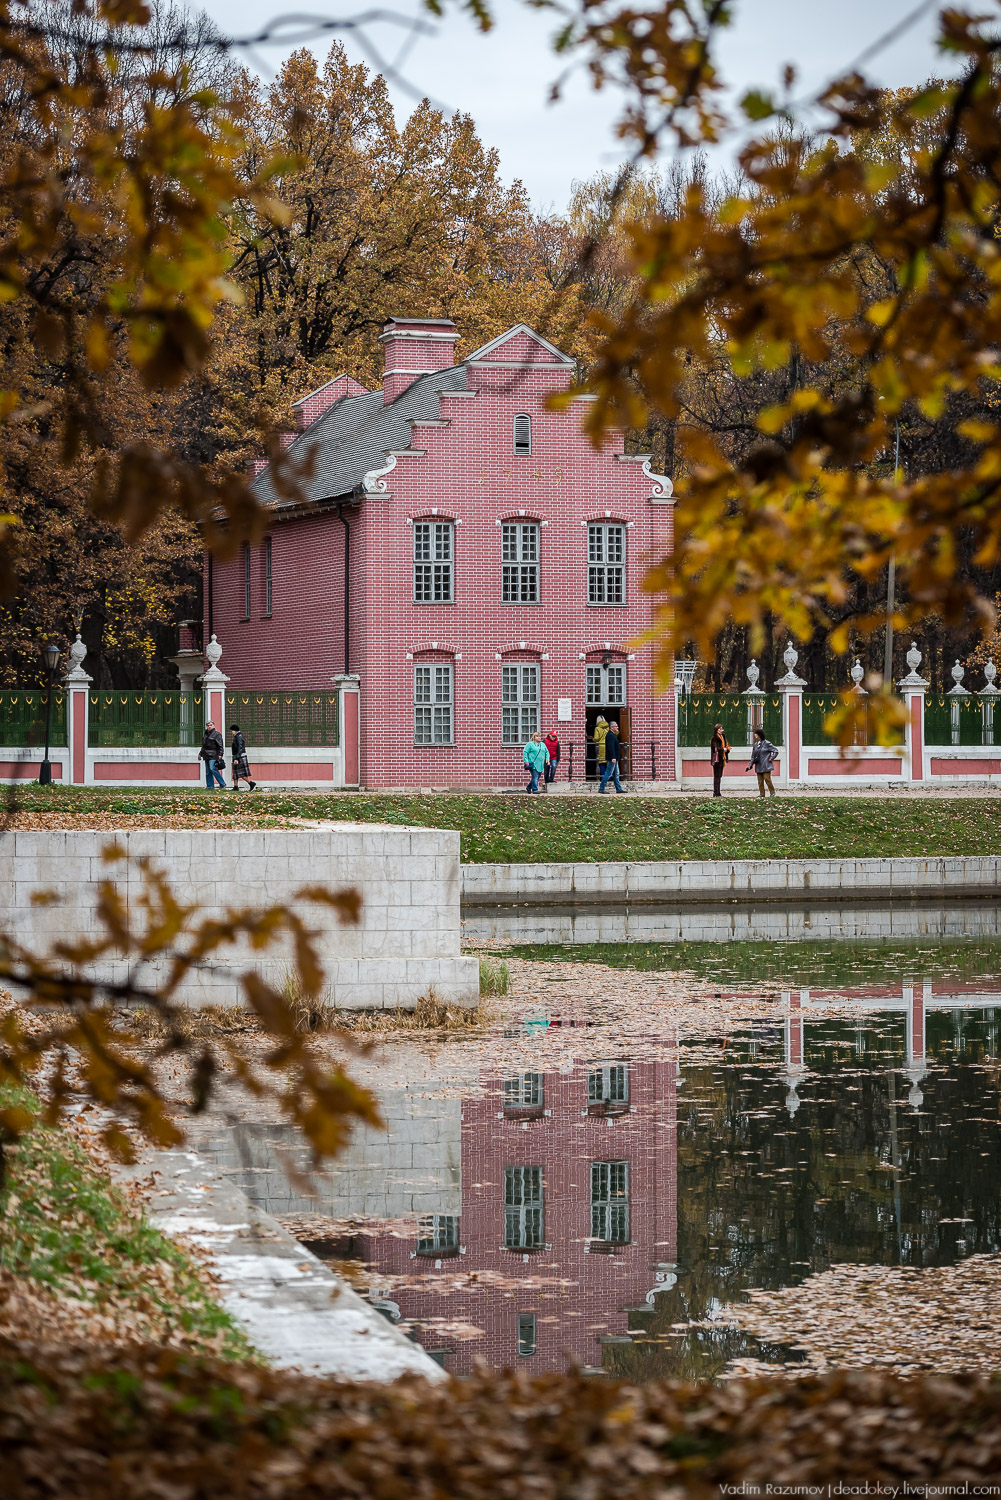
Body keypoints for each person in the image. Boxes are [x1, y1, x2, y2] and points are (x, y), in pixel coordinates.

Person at [746, 726, 778, 798]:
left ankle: (772, 792)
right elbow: (753, 756)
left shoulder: (767, 743)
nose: (755, 735)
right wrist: (750, 765)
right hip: (758, 765)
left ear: (759, 734)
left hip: (766, 764)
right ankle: (762, 793)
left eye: (756, 734)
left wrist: (771, 758)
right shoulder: (755, 745)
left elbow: (775, 751)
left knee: (767, 779)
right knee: (760, 781)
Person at [599, 719, 626, 793]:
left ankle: (618, 788)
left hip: (615, 758)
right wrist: (613, 757)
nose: (617, 727)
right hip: (613, 758)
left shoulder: (612, 735)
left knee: (616, 773)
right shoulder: (610, 735)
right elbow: (611, 747)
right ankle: (601, 788)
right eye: (616, 726)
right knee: (608, 773)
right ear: (611, 727)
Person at [230, 723, 257, 791]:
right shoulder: (237, 736)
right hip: (236, 756)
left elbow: (240, 748)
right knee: (235, 772)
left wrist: (237, 758)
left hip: (240, 756)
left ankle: (251, 783)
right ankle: (235, 786)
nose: (231, 732)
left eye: (232, 731)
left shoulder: (239, 736)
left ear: (235, 730)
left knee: (240, 772)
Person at [199, 720, 226, 790]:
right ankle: (210, 786)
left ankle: (222, 783)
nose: (209, 727)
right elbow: (203, 746)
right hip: (206, 754)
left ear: (213, 725)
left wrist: (220, 754)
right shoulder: (205, 734)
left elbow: (220, 745)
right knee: (208, 772)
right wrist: (200, 754)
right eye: (208, 725)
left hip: (214, 754)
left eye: (210, 725)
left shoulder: (217, 734)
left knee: (213, 769)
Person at [709, 722, 730, 798]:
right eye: (720, 729)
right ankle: (716, 792)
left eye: (722, 729)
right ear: (716, 730)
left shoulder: (723, 737)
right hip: (717, 760)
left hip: (722, 759)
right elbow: (715, 749)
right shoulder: (715, 738)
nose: (721, 730)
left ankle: (718, 792)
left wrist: (727, 749)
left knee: (720, 776)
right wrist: (722, 750)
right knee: (716, 776)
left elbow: (726, 746)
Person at [592, 715, 609, 781]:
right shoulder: (608, 727)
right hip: (608, 746)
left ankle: (603, 778)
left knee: (601, 763)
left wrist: (592, 739)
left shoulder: (597, 728)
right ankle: (609, 778)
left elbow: (597, 738)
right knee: (608, 763)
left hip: (601, 746)